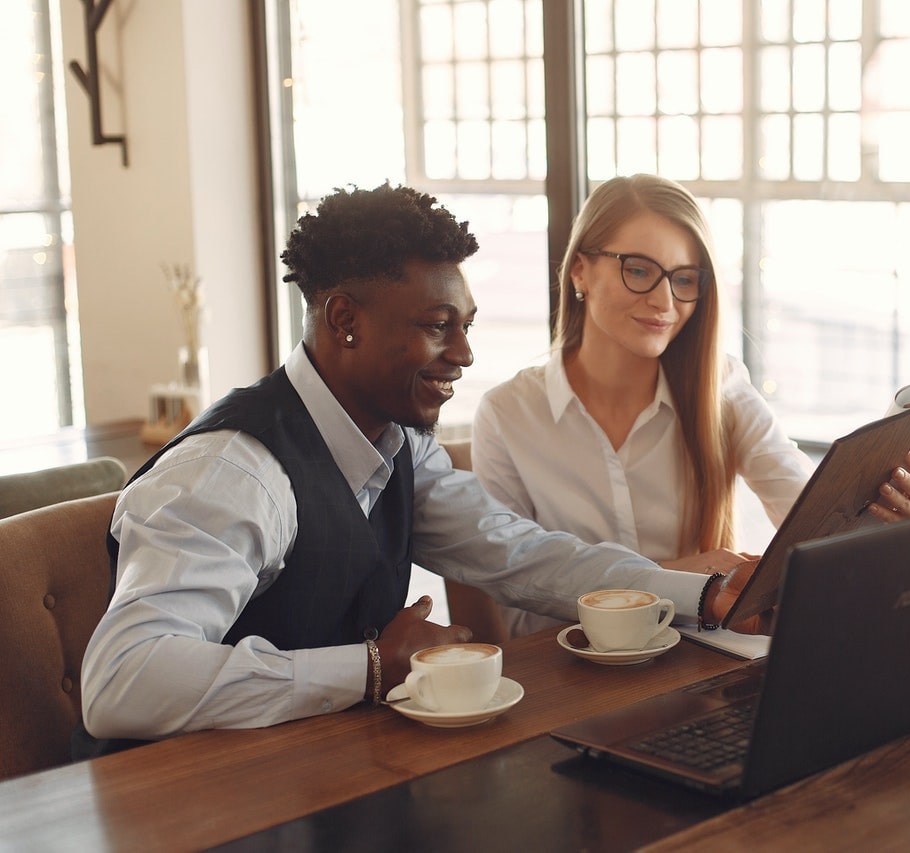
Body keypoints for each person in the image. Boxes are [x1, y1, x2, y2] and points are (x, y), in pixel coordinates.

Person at [77, 183, 766, 749]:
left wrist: (704, 597)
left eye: (466, 324)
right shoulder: (235, 472)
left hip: (327, 772)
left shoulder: (399, 445)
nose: (464, 353)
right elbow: (121, 682)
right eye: (440, 325)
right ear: (345, 319)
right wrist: (371, 668)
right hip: (191, 805)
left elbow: (525, 556)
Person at [471, 174, 910, 638]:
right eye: (638, 269)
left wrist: (891, 525)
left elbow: (811, 519)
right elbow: (520, 606)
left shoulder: (722, 387)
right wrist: (677, 580)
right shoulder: (507, 415)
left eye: (685, 279)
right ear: (580, 271)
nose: (663, 300)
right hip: (572, 677)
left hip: (700, 665)